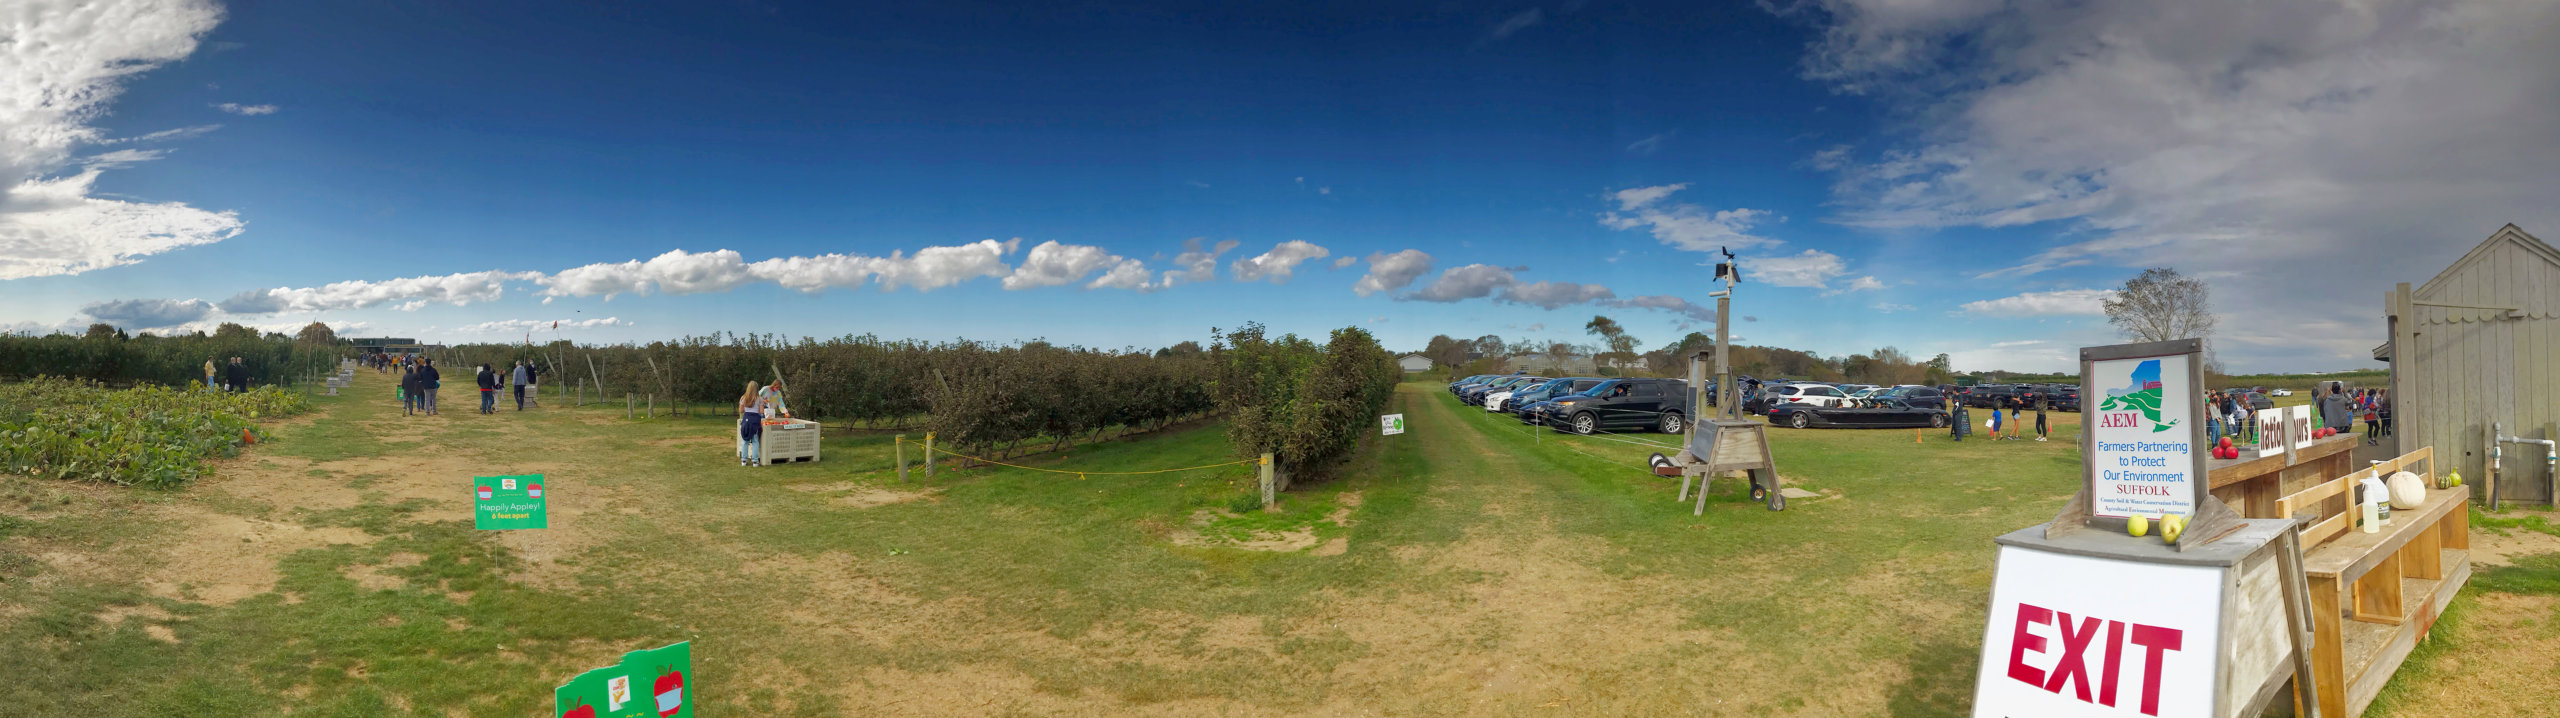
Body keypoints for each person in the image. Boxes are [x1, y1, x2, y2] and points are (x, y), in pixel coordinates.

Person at [738, 380, 765, 467]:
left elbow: (741, 410)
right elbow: (761, 412)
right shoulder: (760, 399)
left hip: (746, 420)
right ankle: (755, 461)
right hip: (755, 421)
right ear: (757, 389)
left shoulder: (743, 398)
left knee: (745, 440)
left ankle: (744, 460)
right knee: (755, 441)